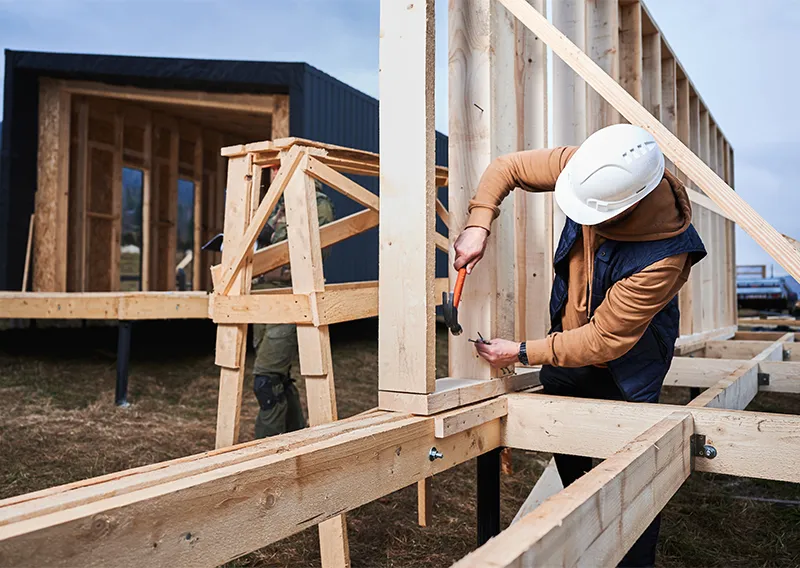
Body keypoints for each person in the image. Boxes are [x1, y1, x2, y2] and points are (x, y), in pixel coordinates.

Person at [452, 124, 706, 568]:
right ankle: (576, 533)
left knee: (632, 475)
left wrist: (523, 352)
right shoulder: (593, 168)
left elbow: (604, 340)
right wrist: (479, 225)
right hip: (565, 349)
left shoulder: (665, 254)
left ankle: (630, 556)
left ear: (625, 209)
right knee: (567, 444)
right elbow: (507, 167)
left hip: (629, 368)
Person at [251, 179, 335, 438]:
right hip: (261, 299)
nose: (276, 173)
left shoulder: (317, 204)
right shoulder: (276, 206)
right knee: (279, 378)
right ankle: (296, 438)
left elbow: (315, 257)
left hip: (290, 298)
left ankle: (266, 452)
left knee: (266, 382)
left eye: (281, 166)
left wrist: (273, 261)